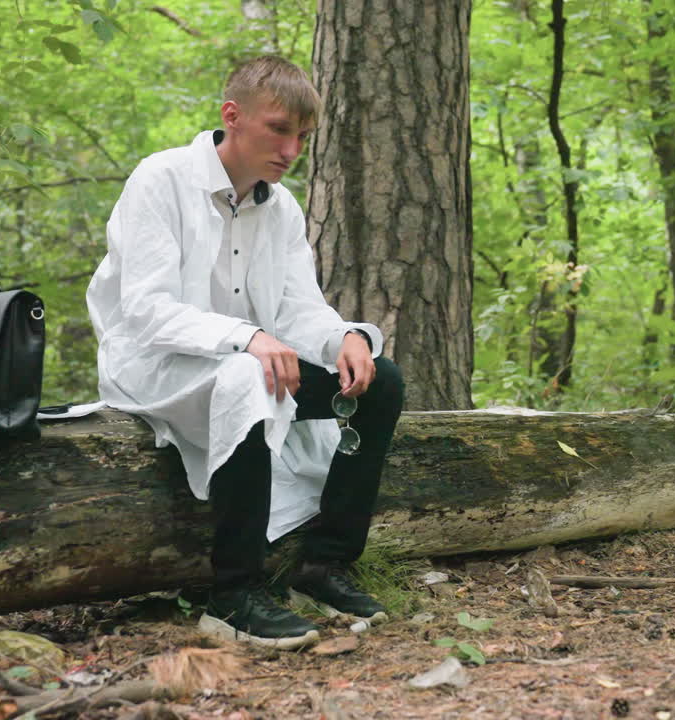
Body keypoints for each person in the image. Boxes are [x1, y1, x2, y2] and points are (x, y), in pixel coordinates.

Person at [85, 56, 404, 650]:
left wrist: (345, 340)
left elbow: (295, 310)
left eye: (302, 138)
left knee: (380, 380)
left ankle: (323, 566)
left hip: (245, 361)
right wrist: (247, 338)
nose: (291, 150)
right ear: (233, 117)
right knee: (246, 376)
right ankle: (232, 597)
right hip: (154, 364)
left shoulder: (279, 206)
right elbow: (146, 310)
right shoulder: (161, 179)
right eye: (279, 130)